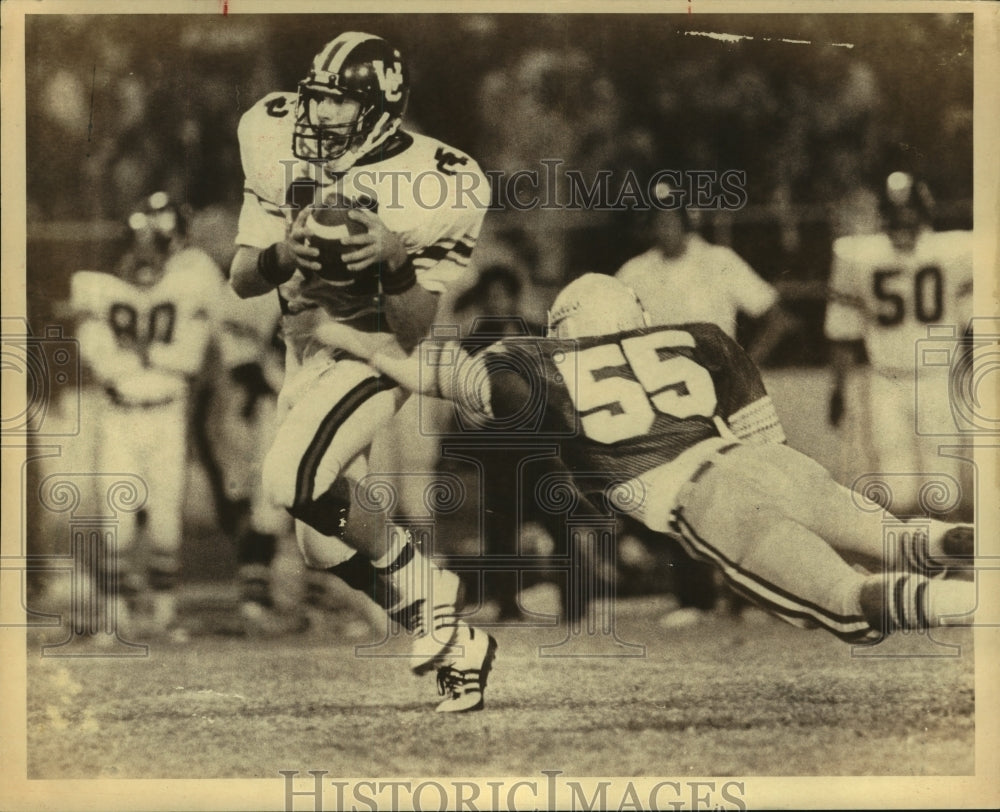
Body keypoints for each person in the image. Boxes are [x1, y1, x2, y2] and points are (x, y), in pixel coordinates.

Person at [313, 274, 976, 645]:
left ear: (562, 326)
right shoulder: (698, 336)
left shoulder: (537, 361)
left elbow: (434, 371)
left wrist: (338, 333)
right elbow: (763, 443)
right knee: (904, 538)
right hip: (768, 464)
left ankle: (981, 605)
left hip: (700, 491)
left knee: (847, 606)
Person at [229, 31, 494, 712]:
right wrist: (287, 251)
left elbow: (413, 329)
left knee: (290, 477)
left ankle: (433, 592)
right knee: (322, 546)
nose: (319, 117)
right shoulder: (271, 131)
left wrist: (395, 258)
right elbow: (241, 279)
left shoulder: (442, 179)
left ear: (380, 109)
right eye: (315, 100)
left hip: (374, 350)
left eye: (338, 105)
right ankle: (460, 648)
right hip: (304, 348)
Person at [615, 181, 796, 626]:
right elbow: (610, 334)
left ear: (687, 218)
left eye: (672, 215)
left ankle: (757, 593)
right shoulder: (634, 272)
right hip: (666, 397)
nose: (665, 225)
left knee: (748, 486)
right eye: (657, 217)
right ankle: (695, 598)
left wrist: (746, 365)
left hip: (723, 391)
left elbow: (776, 315)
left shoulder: (718, 260)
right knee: (682, 491)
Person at [70, 191, 223, 639]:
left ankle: (164, 613)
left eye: (152, 245)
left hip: (166, 410)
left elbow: (190, 357)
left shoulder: (190, 278)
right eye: (136, 245)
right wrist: (153, 358)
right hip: (121, 412)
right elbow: (100, 359)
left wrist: (143, 356)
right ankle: (116, 615)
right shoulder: (98, 286)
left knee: (165, 516)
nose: (142, 257)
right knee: (116, 515)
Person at [825, 171, 974, 517]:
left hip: (939, 377)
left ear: (924, 216)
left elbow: (975, 324)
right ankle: (912, 565)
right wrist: (838, 386)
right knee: (896, 491)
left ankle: (941, 568)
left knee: (943, 489)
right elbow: (843, 332)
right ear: (883, 219)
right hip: (885, 380)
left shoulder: (953, 251)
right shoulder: (858, 257)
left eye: (910, 217)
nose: (902, 227)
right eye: (895, 219)